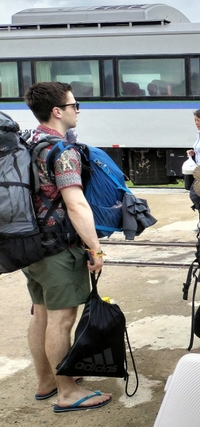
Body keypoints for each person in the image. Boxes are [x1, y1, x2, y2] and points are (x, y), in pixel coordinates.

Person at [22, 82, 112, 411]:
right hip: (59, 248)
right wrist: (95, 248)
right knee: (62, 320)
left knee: (41, 316)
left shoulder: (28, 142)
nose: (78, 110)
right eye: (75, 105)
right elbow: (76, 204)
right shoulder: (62, 150)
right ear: (58, 111)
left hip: (31, 245)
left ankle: (47, 381)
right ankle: (67, 392)